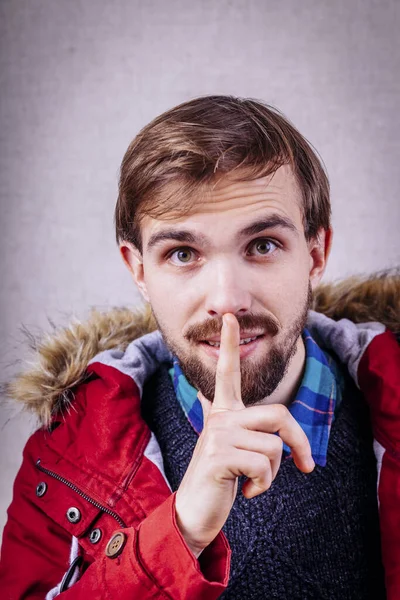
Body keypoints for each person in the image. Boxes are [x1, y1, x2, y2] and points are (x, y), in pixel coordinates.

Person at [0, 96, 399, 599]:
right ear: (139, 271)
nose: (227, 301)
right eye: (183, 253)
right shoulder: (63, 459)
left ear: (315, 254)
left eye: (263, 245)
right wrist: (179, 534)